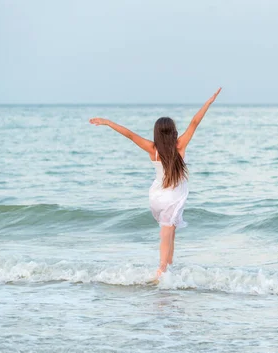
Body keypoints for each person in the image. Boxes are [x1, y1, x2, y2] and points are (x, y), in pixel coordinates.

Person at [89, 87, 222, 283]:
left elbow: (130, 135)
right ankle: (161, 271)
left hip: (157, 196)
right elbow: (194, 122)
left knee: (171, 230)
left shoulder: (153, 148)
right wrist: (208, 103)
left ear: (157, 134)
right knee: (166, 234)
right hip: (172, 198)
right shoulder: (180, 145)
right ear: (174, 132)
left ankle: (168, 268)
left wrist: (108, 122)